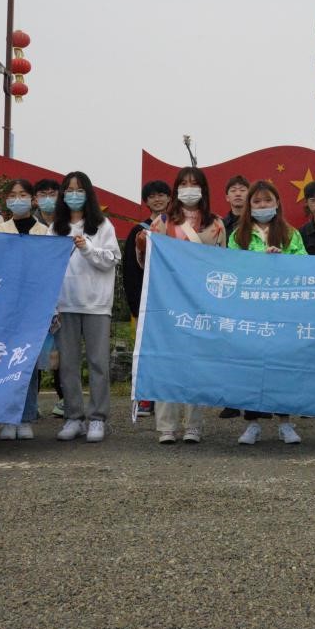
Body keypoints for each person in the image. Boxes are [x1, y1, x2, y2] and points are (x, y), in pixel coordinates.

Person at [136, 167, 227, 444]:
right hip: (169, 302)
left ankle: (194, 425)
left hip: (201, 302)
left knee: (196, 362)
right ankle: (166, 425)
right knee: (168, 361)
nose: (189, 188)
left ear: (203, 189)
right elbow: (150, 262)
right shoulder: (162, 223)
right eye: (184, 183)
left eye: (194, 183)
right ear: (177, 189)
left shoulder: (216, 224)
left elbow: (223, 264)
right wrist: (142, 245)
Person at [228, 180, 306, 445]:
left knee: (282, 366)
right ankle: (252, 423)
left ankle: (285, 422)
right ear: (249, 206)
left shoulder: (291, 234)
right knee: (251, 367)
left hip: (283, 311)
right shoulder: (238, 235)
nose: (262, 205)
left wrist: (282, 260)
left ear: (277, 203)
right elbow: (233, 268)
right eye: (257, 201)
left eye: (267, 200)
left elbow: (304, 266)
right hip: (250, 311)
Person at [52, 172, 121, 445]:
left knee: (97, 362)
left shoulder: (102, 225)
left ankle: (97, 418)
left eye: (79, 190)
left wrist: (88, 248)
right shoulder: (56, 227)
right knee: (68, 363)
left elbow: (112, 258)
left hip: (96, 304)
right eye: (69, 190)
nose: (74, 195)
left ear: (88, 193)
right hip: (65, 303)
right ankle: (74, 417)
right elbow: (46, 264)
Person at [0, 179, 49, 440]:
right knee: (2, 361)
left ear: (33, 200)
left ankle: (25, 417)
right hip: (3, 306)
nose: (18, 199)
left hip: (33, 307)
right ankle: (6, 418)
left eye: (23, 194)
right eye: (13, 195)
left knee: (27, 363)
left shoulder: (45, 233)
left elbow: (50, 272)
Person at [122, 179, 171, 418]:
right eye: (152, 196)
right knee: (145, 350)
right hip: (146, 301)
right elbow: (130, 270)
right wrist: (134, 304)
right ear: (146, 201)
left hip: (173, 301)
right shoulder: (138, 231)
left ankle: (168, 395)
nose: (157, 199)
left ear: (169, 198)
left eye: (161, 194)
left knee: (169, 350)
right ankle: (145, 398)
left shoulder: (178, 229)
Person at [217, 173, 252, 418]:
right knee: (229, 347)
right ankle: (231, 399)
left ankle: (253, 402)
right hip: (228, 291)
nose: (238, 193)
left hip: (254, 292)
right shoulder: (219, 225)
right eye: (234, 189)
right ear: (227, 196)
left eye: (243, 189)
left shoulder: (258, 223)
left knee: (251, 348)